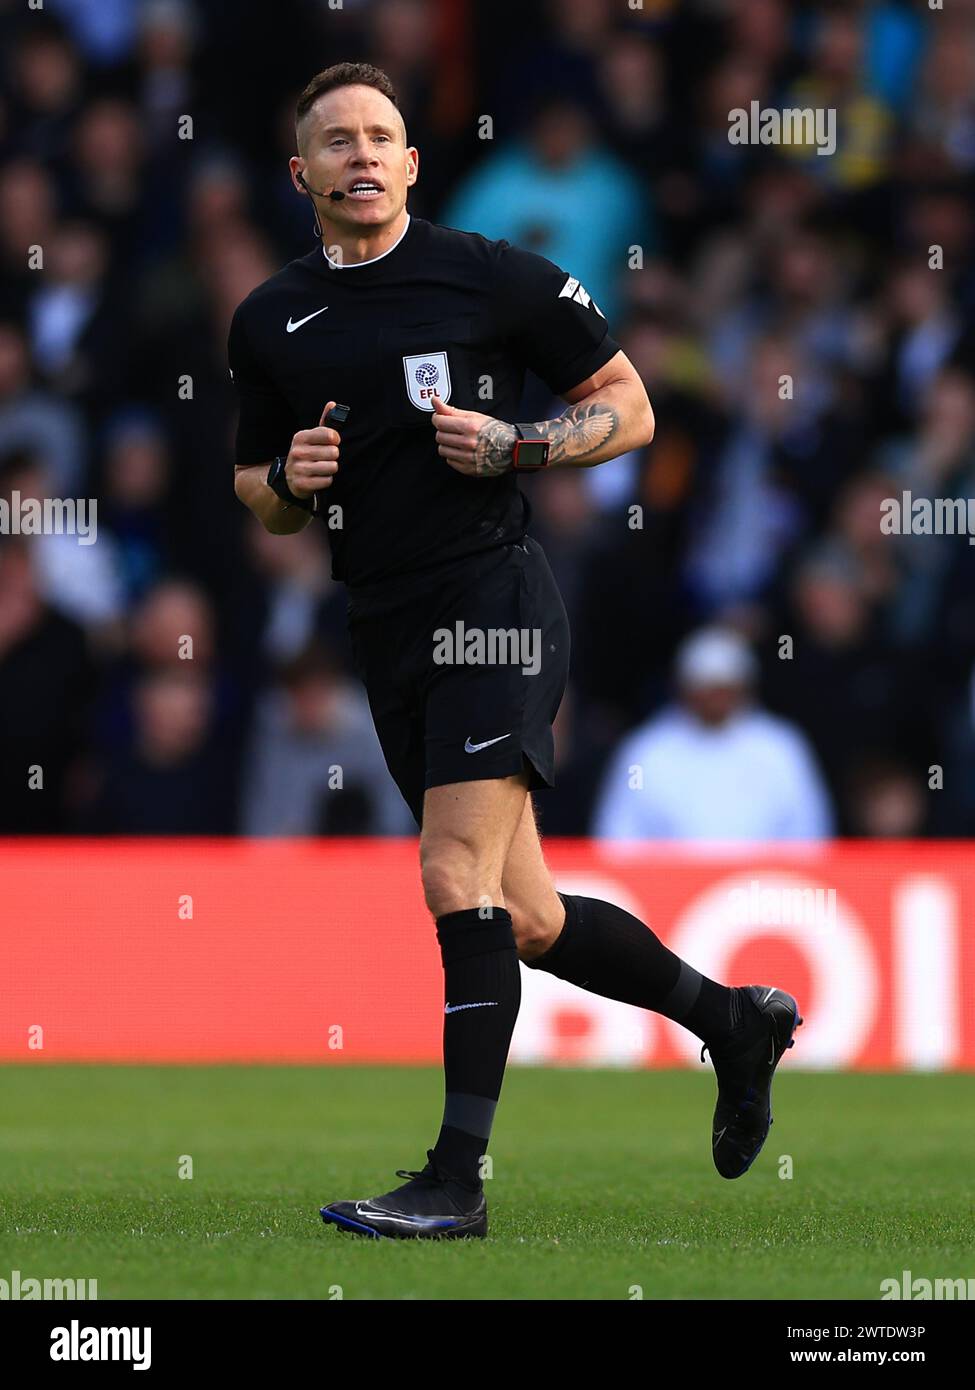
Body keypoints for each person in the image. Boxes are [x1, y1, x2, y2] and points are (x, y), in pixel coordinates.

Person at [229, 62, 800, 1240]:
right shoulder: (270, 318)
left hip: (494, 598)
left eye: (382, 134)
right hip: (382, 620)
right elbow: (254, 485)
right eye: (336, 140)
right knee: (526, 918)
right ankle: (734, 1022)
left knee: (454, 878)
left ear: (413, 161)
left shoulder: (490, 275)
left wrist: (520, 443)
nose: (363, 155)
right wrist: (289, 480)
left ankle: (455, 1181)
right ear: (303, 174)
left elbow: (630, 405)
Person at [593, 627, 834, 842]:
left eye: (725, 689)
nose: (716, 699)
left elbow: (808, 829)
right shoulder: (647, 750)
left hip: (764, 886)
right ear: (685, 689)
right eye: (706, 688)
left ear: (744, 688)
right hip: (665, 885)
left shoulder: (780, 746)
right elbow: (619, 833)